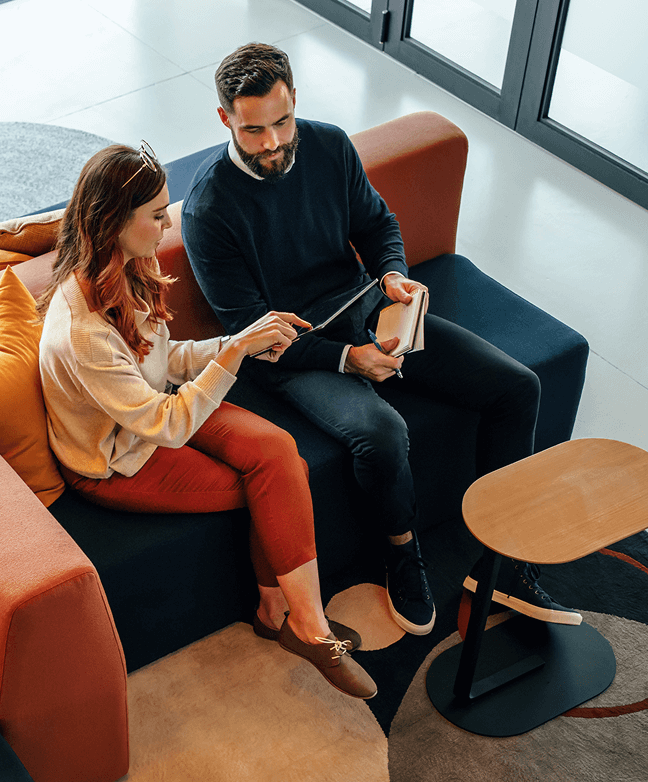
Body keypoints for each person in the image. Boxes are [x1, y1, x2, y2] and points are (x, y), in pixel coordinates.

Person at [181, 42, 579, 637]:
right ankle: (401, 553)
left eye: (282, 122)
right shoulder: (208, 209)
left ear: (295, 102)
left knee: (517, 387)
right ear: (225, 121)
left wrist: (391, 271)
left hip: (366, 309)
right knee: (382, 433)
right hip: (290, 354)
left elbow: (376, 222)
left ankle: (504, 562)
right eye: (254, 130)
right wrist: (348, 359)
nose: (272, 143)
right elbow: (251, 332)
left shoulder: (329, 145)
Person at [37, 141, 376, 699]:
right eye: (154, 215)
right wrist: (232, 357)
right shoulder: (84, 332)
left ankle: (279, 615)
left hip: (157, 408)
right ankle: (308, 629)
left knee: (279, 452)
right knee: (265, 485)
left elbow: (164, 360)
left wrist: (238, 340)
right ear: (114, 222)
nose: (167, 223)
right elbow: (167, 426)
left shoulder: (128, 266)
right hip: (114, 461)